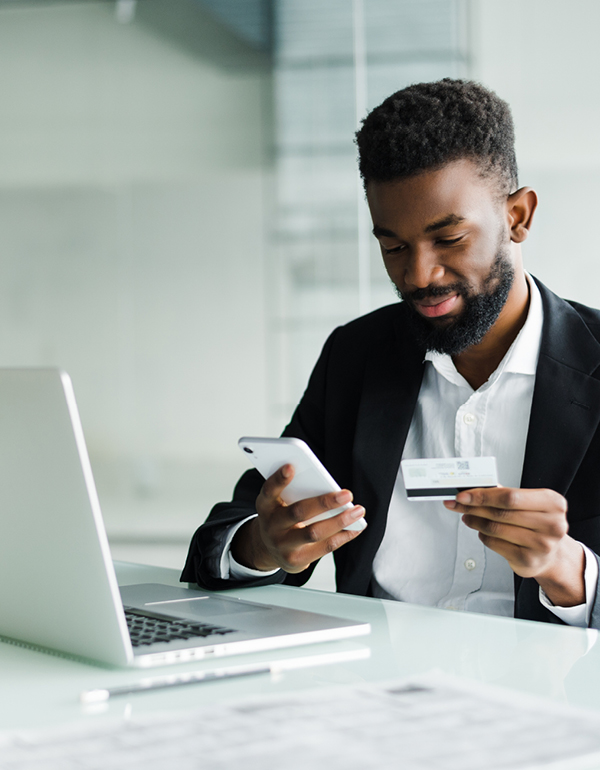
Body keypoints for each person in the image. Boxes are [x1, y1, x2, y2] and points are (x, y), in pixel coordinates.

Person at [182, 79, 600, 628]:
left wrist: (571, 573)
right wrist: (262, 547)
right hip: (374, 692)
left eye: (449, 239)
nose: (419, 275)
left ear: (518, 217)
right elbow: (222, 542)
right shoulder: (356, 357)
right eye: (393, 247)